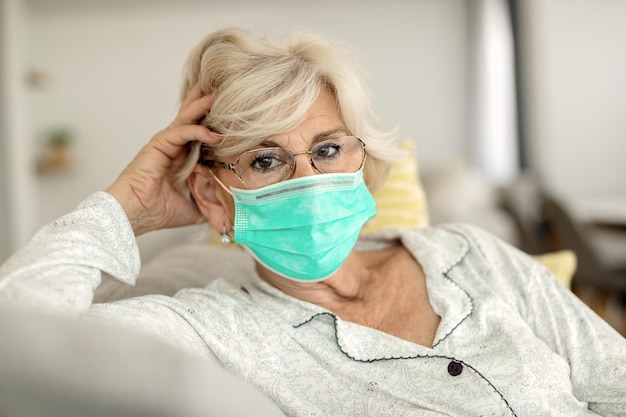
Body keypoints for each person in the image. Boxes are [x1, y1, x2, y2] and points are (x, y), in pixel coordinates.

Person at [0, 27, 624, 417]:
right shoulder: (214, 329)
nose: (307, 180)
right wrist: (126, 205)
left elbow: (612, 382)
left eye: (327, 150)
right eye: (266, 160)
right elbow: (20, 349)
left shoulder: (468, 252)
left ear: (361, 158)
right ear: (215, 201)